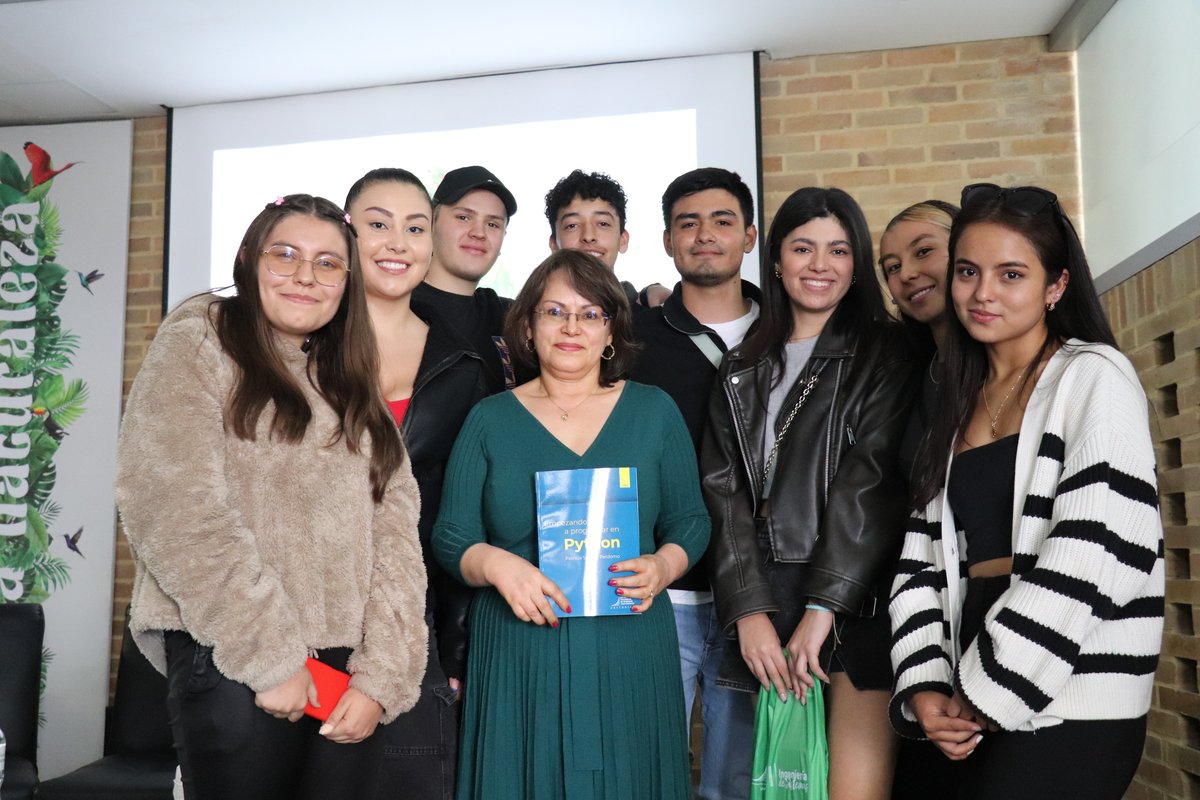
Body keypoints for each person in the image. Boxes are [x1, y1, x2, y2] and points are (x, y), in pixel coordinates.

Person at [114, 194, 428, 800]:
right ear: (249, 260)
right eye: (285, 255)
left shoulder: (351, 384)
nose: (305, 275)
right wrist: (272, 658)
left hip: (349, 680)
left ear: (347, 282)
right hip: (237, 659)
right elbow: (173, 506)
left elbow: (398, 544)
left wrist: (381, 678)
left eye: (328, 263)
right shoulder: (201, 341)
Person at [889, 184, 1164, 799]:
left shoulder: (1094, 376)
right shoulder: (955, 402)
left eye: (1010, 273)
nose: (982, 293)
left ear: (1056, 286)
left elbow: (1094, 547)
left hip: (1074, 690)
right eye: (967, 272)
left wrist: (989, 686)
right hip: (965, 684)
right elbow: (919, 558)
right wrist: (927, 684)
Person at [432, 249, 711, 799]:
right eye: (554, 312)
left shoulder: (653, 411)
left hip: (629, 643)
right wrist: (495, 565)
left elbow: (691, 520)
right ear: (528, 326)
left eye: (590, 314)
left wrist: (664, 563)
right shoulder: (489, 418)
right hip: (519, 645)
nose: (571, 327)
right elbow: (450, 534)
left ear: (611, 330)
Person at [704, 187, 915, 800]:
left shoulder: (887, 352)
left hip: (854, 596)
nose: (820, 265)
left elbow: (870, 484)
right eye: (803, 248)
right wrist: (748, 610)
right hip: (761, 593)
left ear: (856, 265)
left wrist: (823, 607)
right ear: (775, 260)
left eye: (839, 250)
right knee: (752, 783)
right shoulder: (741, 364)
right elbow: (722, 495)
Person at [345, 169, 487, 800]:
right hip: (297, 609)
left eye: (414, 227)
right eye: (377, 224)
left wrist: (454, 650)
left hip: (411, 620)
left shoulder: (465, 365)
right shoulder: (295, 346)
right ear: (347, 235)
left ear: (432, 246)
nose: (396, 242)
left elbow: (466, 517)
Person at [629, 167, 761, 799]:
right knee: (648, 769)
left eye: (722, 220)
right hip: (663, 594)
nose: (705, 234)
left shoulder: (790, 333)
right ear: (666, 240)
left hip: (758, 595)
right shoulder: (634, 339)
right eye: (689, 222)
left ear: (751, 236)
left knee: (738, 779)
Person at [877, 200, 968, 799]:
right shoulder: (911, 367)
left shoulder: (1010, 362)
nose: (906, 273)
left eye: (923, 252)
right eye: (890, 266)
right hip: (923, 622)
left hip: (998, 626)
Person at [414, 165, 520, 393]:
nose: (478, 232)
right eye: (463, 217)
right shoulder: (400, 309)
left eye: (492, 224)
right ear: (430, 224)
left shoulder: (511, 318)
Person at [545, 168, 670, 307]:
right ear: (553, 244)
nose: (588, 236)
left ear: (623, 240)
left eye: (603, 224)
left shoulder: (647, 316)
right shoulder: (529, 316)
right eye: (572, 225)